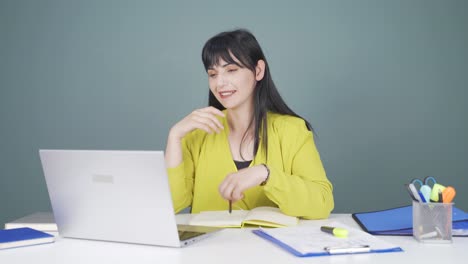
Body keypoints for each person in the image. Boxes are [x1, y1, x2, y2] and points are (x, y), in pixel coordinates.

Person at [165, 29, 333, 219]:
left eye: (231, 70)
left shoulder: (292, 130)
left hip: (272, 247)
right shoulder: (198, 134)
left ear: (258, 70)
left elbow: (322, 203)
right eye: (212, 74)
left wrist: (266, 174)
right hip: (210, 247)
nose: (220, 83)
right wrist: (175, 136)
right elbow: (171, 205)